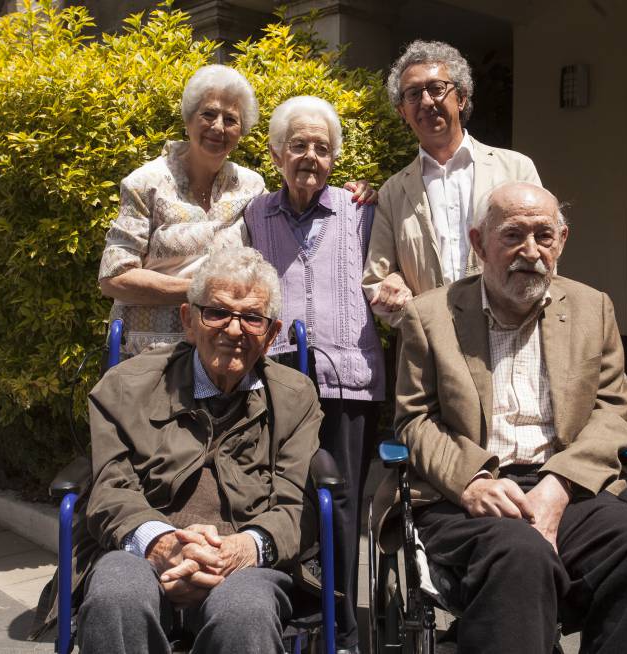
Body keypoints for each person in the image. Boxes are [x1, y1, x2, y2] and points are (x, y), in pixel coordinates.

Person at [373, 182, 627, 653]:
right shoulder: (431, 316)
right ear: (479, 243)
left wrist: (559, 486)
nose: (531, 251)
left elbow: (611, 410)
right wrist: (473, 481)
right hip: (465, 495)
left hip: (567, 485)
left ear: (562, 240)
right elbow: (416, 419)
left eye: (544, 235)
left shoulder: (591, 308)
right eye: (513, 235)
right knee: (520, 554)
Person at [77, 247, 324, 653]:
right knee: (115, 597)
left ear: (272, 335)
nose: (234, 329)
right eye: (218, 312)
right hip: (140, 547)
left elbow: (297, 502)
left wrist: (241, 549)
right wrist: (162, 543)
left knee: (245, 613)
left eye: (252, 317)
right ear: (188, 321)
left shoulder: (296, 398)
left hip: (244, 558)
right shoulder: (125, 386)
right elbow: (109, 488)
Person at [98, 65, 375, 356]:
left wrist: (359, 194)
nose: (218, 127)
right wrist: (204, 292)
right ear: (189, 118)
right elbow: (114, 277)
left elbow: (290, 223)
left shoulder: (250, 186)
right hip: (151, 352)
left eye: (230, 119)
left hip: (225, 353)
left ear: (241, 131)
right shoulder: (147, 182)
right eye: (208, 114)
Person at [243, 95, 385, 654]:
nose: (309, 157)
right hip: (276, 380)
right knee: (278, 496)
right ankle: (291, 613)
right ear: (277, 153)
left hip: (347, 378)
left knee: (341, 500)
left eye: (322, 148)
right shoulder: (255, 214)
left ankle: (341, 627)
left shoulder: (362, 210)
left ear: (334, 159)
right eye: (297, 145)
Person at [363, 40, 542, 327]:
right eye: (412, 94)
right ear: (402, 112)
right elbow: (376, 281)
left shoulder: (515, 169)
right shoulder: (393, 192)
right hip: (429, 348)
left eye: (436, 88)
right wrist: (400, 299)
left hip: (509, 334)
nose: (426, 102)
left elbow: (544, 251)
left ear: (460, 97)